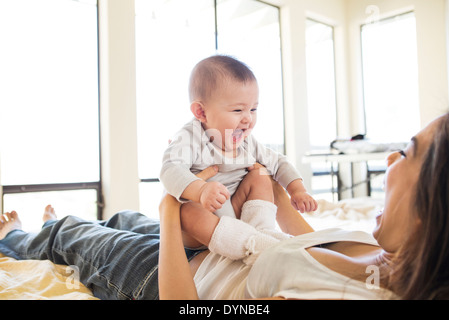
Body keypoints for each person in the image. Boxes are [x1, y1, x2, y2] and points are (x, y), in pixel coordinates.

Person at [0, 112, 448, 300]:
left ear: (433, 207)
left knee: (73, 235)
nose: (390, 158)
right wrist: (272, 187)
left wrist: (170, 211)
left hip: (179, 274)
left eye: (406, 152)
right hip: (215, 230)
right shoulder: (376, 249)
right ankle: (51, 230)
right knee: (117, 219)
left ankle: (17, 236)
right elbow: (295, 239)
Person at [160, 55, 317, 253]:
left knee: (260, 177)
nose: (248, 119)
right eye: (237, 110)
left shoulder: (246, 142)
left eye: (253, 109)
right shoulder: (189, 137)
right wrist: (200, 191)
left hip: (237, 211)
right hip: (202, 224)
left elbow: (278, 162)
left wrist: (297, 190)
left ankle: (261, 233)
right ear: (201, 112)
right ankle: (243, 245)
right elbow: (170, 169)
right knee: (186, 210)